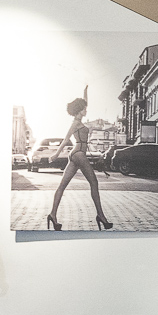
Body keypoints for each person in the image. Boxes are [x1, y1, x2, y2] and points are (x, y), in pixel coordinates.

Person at [47, 87, 112, 230]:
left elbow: (84, 102)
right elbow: (66, 139)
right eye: (84, 108)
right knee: (94, 183)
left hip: (75, 154)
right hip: (79, 154)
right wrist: (56, 154)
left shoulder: (79, 119)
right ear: (79, 110)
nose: (86, 110)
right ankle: (101, 216)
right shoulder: (75, 123)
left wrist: (85, 91)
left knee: (62, 186)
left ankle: (52, 215)